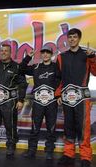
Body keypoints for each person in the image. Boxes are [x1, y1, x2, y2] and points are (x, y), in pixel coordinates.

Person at [56, 28, 96, 167]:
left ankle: (85, 157)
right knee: (68, 126)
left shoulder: (87, 55)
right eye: (70, 37)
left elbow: (95, 72)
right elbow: (59, 78)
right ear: (68, 39)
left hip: (82, 99)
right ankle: (69, 154)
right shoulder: (61, 57)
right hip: (67, 98)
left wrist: (92, 58)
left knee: (83, 127)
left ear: (79, 38)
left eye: (75, 37)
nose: (72, 39)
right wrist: (58, 94)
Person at [21, 46, 60, 160]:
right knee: (35, 127)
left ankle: (49, 151)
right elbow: (22, 69)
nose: (46, 54)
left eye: (48, 52)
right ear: (41, 54)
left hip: (52, 102)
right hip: (38, 102)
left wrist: (59, 95)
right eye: (43, 52)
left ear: (51, 54)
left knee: (51, 128)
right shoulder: (36, 66)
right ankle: (32, 150)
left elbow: (61, 81)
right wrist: (28, 57)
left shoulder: (56, 67)